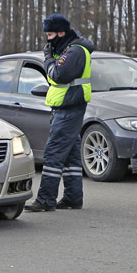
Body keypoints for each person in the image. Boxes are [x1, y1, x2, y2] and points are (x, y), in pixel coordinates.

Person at [26, 13, 94, 212]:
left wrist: (47, 60)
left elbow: (58, 74)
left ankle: (46, 199)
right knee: (71, 154)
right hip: (64, 106)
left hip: (69, 107)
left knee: (53, 153)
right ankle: (73, 198)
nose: (48, 39)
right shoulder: (66, 49)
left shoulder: (75, 52)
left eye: (50, 34)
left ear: (61, 33)